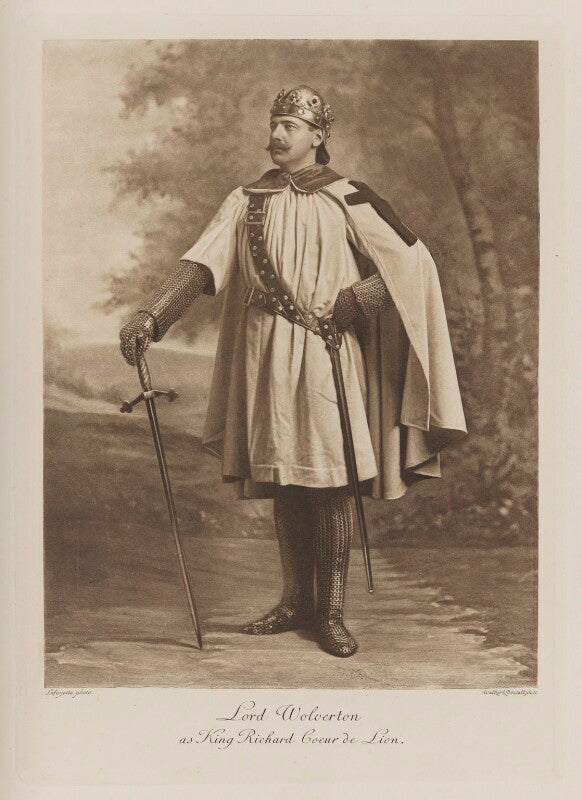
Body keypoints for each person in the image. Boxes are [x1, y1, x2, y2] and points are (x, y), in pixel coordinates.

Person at [119, 85, 467, 658]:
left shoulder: (346, 196)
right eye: (274, 124)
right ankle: (295, 601)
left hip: (326, 352)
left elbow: (413, 265)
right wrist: (151, 317)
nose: (277, 135)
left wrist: (356, 300)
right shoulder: (246, 200)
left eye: (290, 126)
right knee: (286, 476)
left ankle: (330, 613)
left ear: (318, 136)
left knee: (330, 479)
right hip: (267, 356)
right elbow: (200, 265)